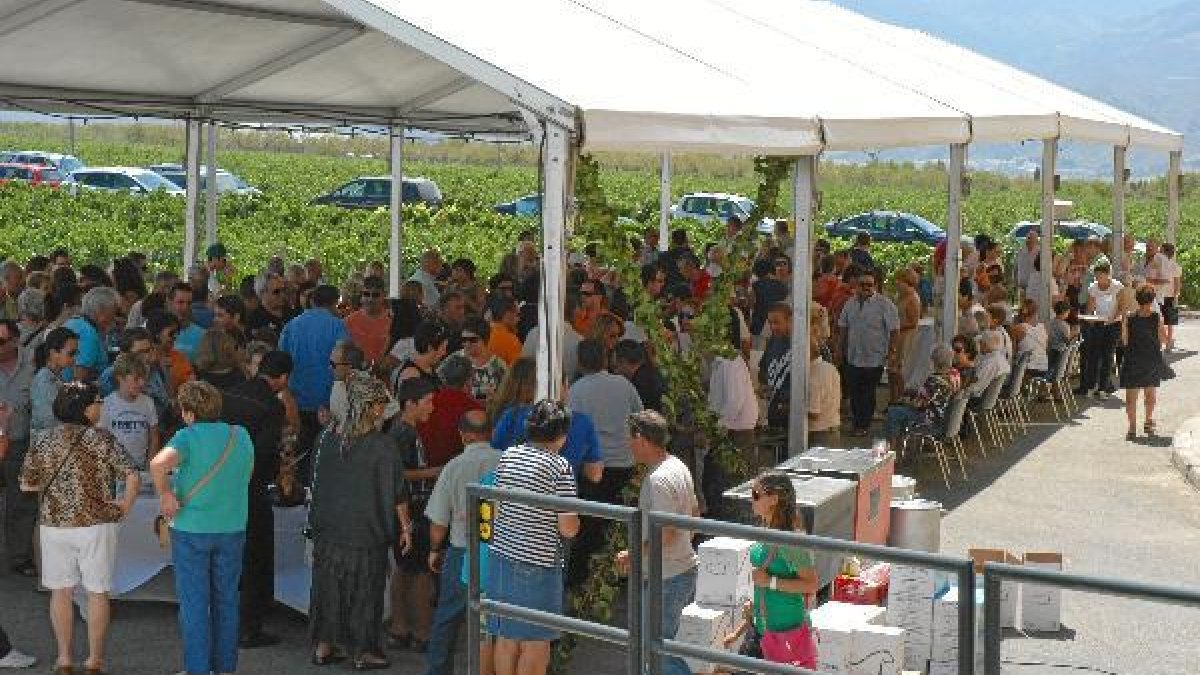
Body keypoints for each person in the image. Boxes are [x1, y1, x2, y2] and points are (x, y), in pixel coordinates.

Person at [20, 382, 139, 674]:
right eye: (98, 401)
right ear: (85, 408)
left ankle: (63, 657)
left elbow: (26, 483)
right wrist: (124, 506)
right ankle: (94, 659)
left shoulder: (44, 440)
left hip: (55, 525)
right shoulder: (102, 439)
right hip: (96, 523)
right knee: (97, 592)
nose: (101, 406)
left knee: (60, 592)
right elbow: (132, 475)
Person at [308, 372, 414, 670]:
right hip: (366, 532)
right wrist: (406, 528)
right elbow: (397, 493)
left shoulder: (326, 438)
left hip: (328, 530)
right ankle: (363, 650)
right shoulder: (382, 446)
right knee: (365, 594)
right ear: (374, 407)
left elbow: (314, 482)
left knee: (328, 590)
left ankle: (324, 646)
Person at [148, 381, 254, 675]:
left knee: (195, 604)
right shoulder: (239, 435)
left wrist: (166, 494)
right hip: (232, 526)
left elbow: (157, 465)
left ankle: (198, 668)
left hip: (192, 528)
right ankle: (224, 668)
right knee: (227, 600)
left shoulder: (186, 437)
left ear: (189, 412)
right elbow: (247, 474)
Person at [488, 400, 581, 675]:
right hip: (538, 563)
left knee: (506, 638)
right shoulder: (559, 466)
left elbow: (497, 505)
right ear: (562, 434)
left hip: (502, 555)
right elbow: (568, 527)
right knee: (537, 643)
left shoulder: (510, 455)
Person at [219, 350, 294, 649]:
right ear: (283, 378)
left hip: (220, 484)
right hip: (249, 488)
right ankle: (249, 626)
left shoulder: (231, 394)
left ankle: (224, 620)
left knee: (227, 557)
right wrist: (279, 474)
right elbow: (263, 453)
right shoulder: (271, 407)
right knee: (254, 556)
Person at [614, 410, 698, 675]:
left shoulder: (658, 479)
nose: (628, 443)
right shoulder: (677, 466)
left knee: (659, 652)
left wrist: (633, 554)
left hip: (667, 576)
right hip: (680, 569)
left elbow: (667, 532)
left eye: (630, 437)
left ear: (640, 438)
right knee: (663, 648)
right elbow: (694, 514)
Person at [423, 409, 502, 675]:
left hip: (461, 551)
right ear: (490, 432)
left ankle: (438, 670)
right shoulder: (505, 463)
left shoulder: (453, 466)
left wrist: (435, 550)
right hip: (497, 554)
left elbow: (438, 522)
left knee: (447, 618)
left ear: (462, 435)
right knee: (493, 624)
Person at [722, 472, 819, 670]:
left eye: (756, 495)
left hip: (784, 633)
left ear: (774, 499)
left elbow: (811, 584)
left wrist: (770, 582)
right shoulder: (766, 530)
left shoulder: (790, 539)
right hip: (762, 628)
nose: (752, 499)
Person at [387, 378, 441, 652]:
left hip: (407, 510)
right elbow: (398, 475)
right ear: (410, 404)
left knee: (406, 569)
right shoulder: (403, 433)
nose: (432, 407)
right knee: (420, 572)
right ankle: (421, 632)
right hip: (410, 510)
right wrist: (435, 472)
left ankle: (400, 628)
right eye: (428, 401)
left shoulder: (402, 430)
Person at [491, 357, 603, 483]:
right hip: (559, 496)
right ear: (565, 384)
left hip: (517, 494)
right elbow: (595, 475)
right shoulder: (583, 422)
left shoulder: (513, 415)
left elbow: (494, 454)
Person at [280, 284, 349, 482]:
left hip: (296, 401)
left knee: (299, 457)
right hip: (328, 403)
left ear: (312, 301)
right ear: (335, 303)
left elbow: (281, 360)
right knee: (325, 460)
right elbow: (345, 362)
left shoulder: (292, 325)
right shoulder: (337, 326)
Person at [838, 273, 899, 436]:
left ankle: (863, 424)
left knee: (868, 391)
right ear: (856, 285)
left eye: (869, 284)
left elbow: (894, 330)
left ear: (875, 286)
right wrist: (839, 349)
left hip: (875, 356)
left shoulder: (885, 304)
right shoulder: (849, 304)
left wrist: (892, 352)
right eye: (862, 284)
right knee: (854, 391)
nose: (866, 287)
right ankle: (858, 421)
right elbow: (843, 327)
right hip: (853, 356)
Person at [0, 319, 35, 580]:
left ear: (14, 340)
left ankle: (20, 557)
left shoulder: (32, 364)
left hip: (19, 443)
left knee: (20, 501)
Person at [883, 345, 960, 460]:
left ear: (934, 362)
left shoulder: (933, 380)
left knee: (894, 412)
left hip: (930, 421)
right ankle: (897, 449)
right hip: (945, 418)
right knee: (900, 411)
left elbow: (918, 404)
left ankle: (892, 451)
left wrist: (904, 400)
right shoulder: (955, 375)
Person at [422, 354, 485, 473]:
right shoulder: (475, 410)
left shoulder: (426, 402)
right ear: (468, 381)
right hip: (459, 470)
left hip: (427, 469)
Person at [1120, 286, 1167, 439]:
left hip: (1133, 359)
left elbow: (1125, 340)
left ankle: (1132, 428)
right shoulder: (1156, 317)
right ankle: (1147, 421)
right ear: (1152, 300)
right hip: (1151, 359)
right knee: (1150, 394)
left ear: (1137, 299)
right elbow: (1164, 339)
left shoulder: (1129, 317)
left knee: (1131, 397)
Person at [98, 353, 160, 470]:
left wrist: (149, 466)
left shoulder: (148, 402)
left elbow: (154, 437)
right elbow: (102, 440)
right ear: (120, 378)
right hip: (115, 469)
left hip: (141, 468)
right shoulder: (107, 404)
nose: (142, 383)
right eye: (136, 379)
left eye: (143, 378)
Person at [1078, 264, 1123, 397]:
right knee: (1094, 355)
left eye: (1100, 276)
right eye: (1096, 276)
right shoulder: (1093, 287)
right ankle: (1091, 386)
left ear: (1108, 274)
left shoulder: (1118, 287)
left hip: (1113, 324)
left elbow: (1121, 307)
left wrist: (1113, 318)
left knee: (1108, 355)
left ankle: (1103, 387)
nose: (1098, 278)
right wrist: (1088, 317)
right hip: (1099, 323)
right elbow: (1090, 308)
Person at [31, 326, 78, 444]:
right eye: (71, 353)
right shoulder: (45, 380)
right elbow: (50, 422)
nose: (75, 358)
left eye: (76, 353)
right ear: (53, 353)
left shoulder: (56, 376)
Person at [63, 286, 120, 383]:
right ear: (101, 312)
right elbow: (78, 379)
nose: (115, 317)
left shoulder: (74, 321)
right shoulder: (89, 334)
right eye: (114, 311)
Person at [759, 302, 793, 432]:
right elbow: (763, 366)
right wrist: (763, 384)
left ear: (790, 320)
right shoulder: (773, 340)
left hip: (792, 414)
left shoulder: (801, 344)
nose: (773, 327)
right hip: (774, 410)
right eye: (770, 322)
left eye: (777, 322)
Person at [455, 316, 507, 401]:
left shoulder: (499, 366)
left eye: (473, 340)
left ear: (485, 339)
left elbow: (505, 396)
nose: (467, 344)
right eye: (464, 340)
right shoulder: (454, 360)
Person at [346, 275, 392, 367]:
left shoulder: (393, 321)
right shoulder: (349, 321)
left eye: (375, 295)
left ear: (384, 295)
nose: (370, 299)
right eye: (366, 294)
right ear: (361, 295)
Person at [612, 339, 665, 414]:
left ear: (623, 361)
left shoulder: (637, 384)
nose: (615, 372)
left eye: (615, 367)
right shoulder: (653, 373)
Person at [807, 338, 842, 448]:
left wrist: (787, 408)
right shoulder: (830, 368)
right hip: (833, 427)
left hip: (819, 434)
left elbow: (814, 413)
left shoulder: (813, 377)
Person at [169, 282, 207, 364]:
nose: (185, 307)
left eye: (189, 303)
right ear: (170, 303)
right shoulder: (156, 332)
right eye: (180, 302)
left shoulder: (203, 335)